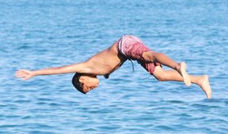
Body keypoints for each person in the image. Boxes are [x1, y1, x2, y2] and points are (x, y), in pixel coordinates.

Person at [15, 35, 212, 99]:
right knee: (159, 75)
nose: (92, 88)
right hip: (127, 52)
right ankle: (199, 80)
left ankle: (177, 65)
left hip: (124, 45)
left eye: (87, 88)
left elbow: (59, 70)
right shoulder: (100, 73)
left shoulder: (87, 67)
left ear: (82, 78)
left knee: (148, 55)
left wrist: (34, 73)